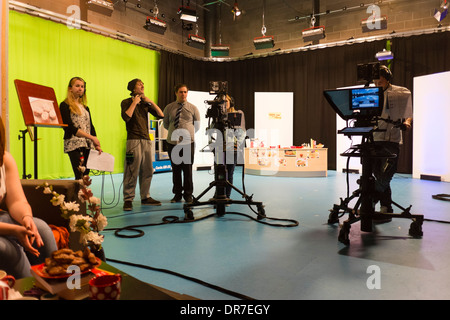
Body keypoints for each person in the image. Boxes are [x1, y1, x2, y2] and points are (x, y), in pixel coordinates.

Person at [0, 118, 57, 278]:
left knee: (42, 230)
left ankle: (54, 286)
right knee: (7, 249)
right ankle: (29, 291)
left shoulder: (4, 159)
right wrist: (14, 230)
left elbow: (17, 200)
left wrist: (26, 218)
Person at [372, 65, 412, 219]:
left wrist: (407, 122)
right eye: (376, 81)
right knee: (378, 175)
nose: (377, 84)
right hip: (375, 139)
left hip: (392, 139)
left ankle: (372, 198)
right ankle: (386, 207)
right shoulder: (372, 93)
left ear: (387, 78)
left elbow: (409, 112)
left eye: (380, 81)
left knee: (386, 174)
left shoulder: (400, 92)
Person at [121, 79, 164, 211]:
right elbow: (126, 117)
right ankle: (128, 199)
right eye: (139, 84)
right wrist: (134, 102)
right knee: (131, 170)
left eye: (143, 84)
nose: (142, 86)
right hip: (133, 140)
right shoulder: (126, 102)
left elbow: (161, 114)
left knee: (147, 169)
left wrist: (148, 100)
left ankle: (145, 196)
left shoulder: (145, 104)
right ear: (133, 89)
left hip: (146, 139)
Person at [163, 84, 200, 203]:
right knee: (176, 169)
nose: (183, 94)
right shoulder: (169, 107)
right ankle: (177, 194)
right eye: (180, 92)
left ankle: (188, 195)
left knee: (188, 169)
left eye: (185, 92)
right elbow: (166, 124)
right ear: (176, 93)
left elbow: (197, 125)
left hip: (188, 143)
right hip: (173, 143)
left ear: (187, 93)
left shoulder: (193, 108)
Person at [60, 77, 102, 179]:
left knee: (86, 176)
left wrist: (96, 143)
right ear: (70, 88)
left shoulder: (85, 107)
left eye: (82, 86)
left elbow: (90, 126)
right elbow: (69, 127)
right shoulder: (64, 105)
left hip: (87, 144)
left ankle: (83, 195)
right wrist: (91, 138)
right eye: (77, 86)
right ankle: (77, 195)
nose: (80, 88)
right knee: (79, 174)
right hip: (74, 144)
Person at [224, 95, 246, 198]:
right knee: (219, 172)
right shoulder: (219, 115)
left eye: (226, 101)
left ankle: (227, 196)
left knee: (229, 172)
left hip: (232, 148)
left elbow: (242, 132)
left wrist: (237, 144)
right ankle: (219, 194)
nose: (224, 103)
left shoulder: (238, 114)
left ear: (231, 102)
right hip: (220, 148)